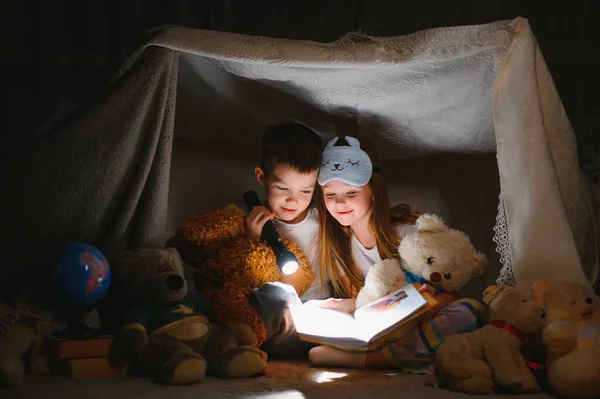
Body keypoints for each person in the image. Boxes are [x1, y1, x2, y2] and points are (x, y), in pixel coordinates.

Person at [308, 135, 485, 373]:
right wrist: (340, 306)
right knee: (323, 331)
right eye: (330, 195)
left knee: (466, 313)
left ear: (373, 191)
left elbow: (447, 294)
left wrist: (423, 307)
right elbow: (360, 303)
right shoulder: (339, 245)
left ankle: (372, 361)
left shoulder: (404, 233)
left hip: (422, 320)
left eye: (351, 193)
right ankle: (412, 356)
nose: (340, 203)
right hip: (382, 329)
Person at [245, 121, 329, 357]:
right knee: (274, 297)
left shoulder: (323, 221)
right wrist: (251, 238)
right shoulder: (254, 223)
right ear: (262, 177)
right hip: (277, 319)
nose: (293, 201)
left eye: (305, 191)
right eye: (283, 189)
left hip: (320, 314)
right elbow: (244, 274)